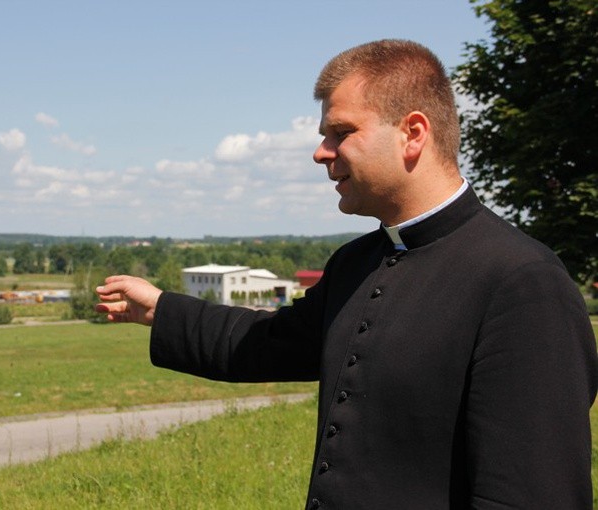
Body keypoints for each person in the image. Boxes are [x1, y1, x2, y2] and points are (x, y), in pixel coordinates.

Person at [95, 39, 597, 509]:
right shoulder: (356, 263)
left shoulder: (523, 283)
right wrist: (160, 309)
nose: (321, 152)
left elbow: (532, 493)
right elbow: (267, 341)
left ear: (413, 133)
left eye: (342, 133)